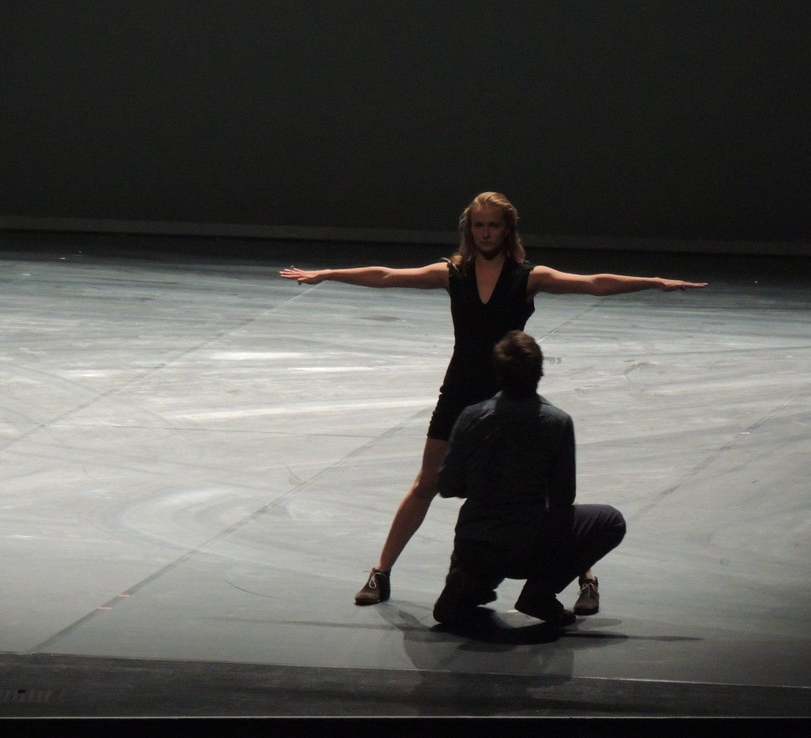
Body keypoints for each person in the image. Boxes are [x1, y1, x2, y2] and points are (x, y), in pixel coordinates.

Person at [279, 191, 706, 610]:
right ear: (470, 230)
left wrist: (654, 283)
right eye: (479, 226)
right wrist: (328, 273)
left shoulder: (528, 277)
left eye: (493, 226)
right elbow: (388, 275)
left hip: (512, 397)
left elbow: (593, 284)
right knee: (427, 484)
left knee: (546, 491)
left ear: (507, 230)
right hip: (460, 391)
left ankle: (586, 576)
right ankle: (381, 571)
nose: (485, 233)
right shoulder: (452, 273)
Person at [433, 331, 626, 627]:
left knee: (482, 535)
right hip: (529, 548)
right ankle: (539, 592)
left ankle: (469, 583)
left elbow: (447, 486)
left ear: (497, 374)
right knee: (611, 521)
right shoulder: (556, 422)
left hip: (476, 543)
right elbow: (562, 498)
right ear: (540, 373)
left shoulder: (470, 416)